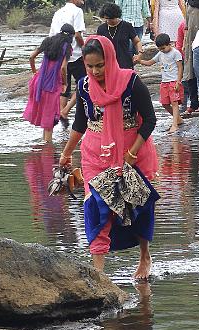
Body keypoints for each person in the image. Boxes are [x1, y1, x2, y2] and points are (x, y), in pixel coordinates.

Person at [58, 36, 159, 280]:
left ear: (110, 59)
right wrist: (67, 152)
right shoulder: (84, 86)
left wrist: (132, 154)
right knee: (96, 207)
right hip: (95, 154)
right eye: (90, 66)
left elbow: (150, 120)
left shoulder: (130, 82)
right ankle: (99, 273)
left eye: (100, 65)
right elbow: (81, 122)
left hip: (130, 151)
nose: (95, 71)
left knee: (136, 205)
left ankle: (144, 256)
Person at [24, 24, 74, 143]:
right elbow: (63, 68)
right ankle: (47, 149)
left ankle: (44, 145)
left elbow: (31, 57)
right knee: (49, 118)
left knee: (45, 115)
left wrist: (35, 72)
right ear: (71, 36)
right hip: (52, 84)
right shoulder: (67, 47)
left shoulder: (48, 41)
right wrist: (65, 83)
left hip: (39, 82)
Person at [50, 0, 87, 127]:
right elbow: (77, 34)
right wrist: (85, 49)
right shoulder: (77, 11)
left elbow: (52, 36)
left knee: (64, 86)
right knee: (85, 83)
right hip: (75, 54)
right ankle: (65, 111)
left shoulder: (58, 12)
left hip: (59, 56)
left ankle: (62, 115)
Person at [139, 33, 184, 132]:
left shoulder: (175, 53)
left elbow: (180, 67)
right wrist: (140, 61)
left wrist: (178, 81)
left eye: (163, 48)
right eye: (159, 49)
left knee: (174, 103)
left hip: (173, 81)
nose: (162, 50)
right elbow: (150, 62)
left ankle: (175, 124)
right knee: (164, 103)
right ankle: (178, 119)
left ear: (169, 44)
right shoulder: (160, 54)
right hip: (164, 82)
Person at [97, 3, 144, 69]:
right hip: (108, 64)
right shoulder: (101, 29)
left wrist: (139, 54)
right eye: (107, 19)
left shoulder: (127, 26)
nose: (109, 21)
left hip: (125, 63)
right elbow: (98, 46)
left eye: (112, 18)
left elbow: (137, 42)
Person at [176, 19, 199, 113]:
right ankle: (185, 106)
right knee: (187, 83)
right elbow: (179, 43)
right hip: (186, 56)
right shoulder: (183, 24)